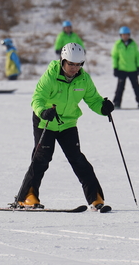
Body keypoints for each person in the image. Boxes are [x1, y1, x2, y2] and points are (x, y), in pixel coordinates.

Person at [13, 43, 114, 210]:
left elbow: (94, 100)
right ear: (62, 61)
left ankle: (95, 198)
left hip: (68, 123)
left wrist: (103, 108)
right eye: (71, 64)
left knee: (78, 159)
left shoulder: (84, 79)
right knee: (42, 159)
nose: (75, 68)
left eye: (78, 64)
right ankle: (27, 196)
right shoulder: (50, 76)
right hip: (45, 120)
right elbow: (37, 98)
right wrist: (43, 111)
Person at [111, 26, 139, 109]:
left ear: (129, 35)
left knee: (136, 87)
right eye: (123, 35)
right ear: (121, 35)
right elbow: (114, 57)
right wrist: (115, 68)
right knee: (120, 87)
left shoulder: (133, 44)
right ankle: (117, 103)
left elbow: (137, 56)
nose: (125, 36)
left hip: (132, 69)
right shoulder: (117, 44)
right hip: (122, 69)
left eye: (127, 35)